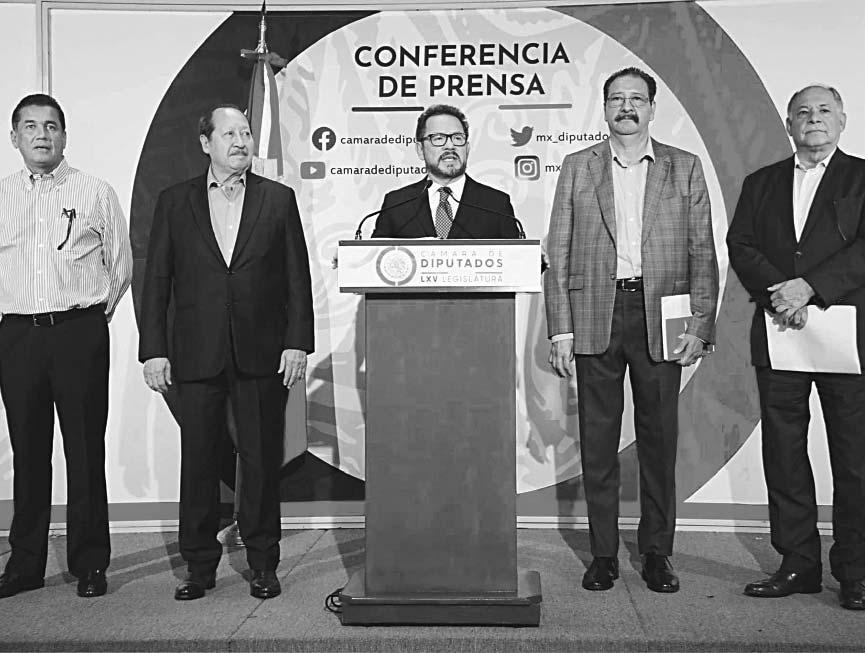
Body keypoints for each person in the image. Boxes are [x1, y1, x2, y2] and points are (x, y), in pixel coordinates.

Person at [544, 67, 718, 593]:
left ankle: (657, 552)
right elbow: (559, 252)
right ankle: (603, 554)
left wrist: (700, 324)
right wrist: (560, 331)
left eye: (636, 99)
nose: (626, 107)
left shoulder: (684, 167)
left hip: (662, 315)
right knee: (597, 442)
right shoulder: (578, 166)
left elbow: (702, 251)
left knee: (658, 442)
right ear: (604, 109)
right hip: (595, 313)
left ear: (651, 108)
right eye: (617, 98)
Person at [139, 104, 314, 601]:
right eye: (229, 133)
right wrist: (153, 350)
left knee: (260, 461)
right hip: (196, 353)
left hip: (262, 352)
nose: (240, 141)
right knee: (198, 462)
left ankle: (262, 563)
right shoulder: (175, 201)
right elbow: (157, 281)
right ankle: (199, 566)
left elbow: (297, 278)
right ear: (206, 142)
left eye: (246, 132)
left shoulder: (277, 199)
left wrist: (297, 341)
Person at [727, 84, 865, 610]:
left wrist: (810, 288)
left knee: (854, 458)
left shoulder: (862, 177)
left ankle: (856, 571)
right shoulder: (761, 182)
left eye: (824, 110)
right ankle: (798, 564)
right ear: (788, 124)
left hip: (848, 339)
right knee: (784, 453)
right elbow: (741, 244)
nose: (813, 118)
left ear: (842, 120)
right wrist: (781, 294)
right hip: (779, 332)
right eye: (802, 112)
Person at [0, 93, 133, 599]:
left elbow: (121, 265)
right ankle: (25, 565)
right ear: (14, 137)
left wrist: (91, 315)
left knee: (84, 448)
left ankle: (90, 563)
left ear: (64, 136)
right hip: (17, 336)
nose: (42, 135)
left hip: (78, 331)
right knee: (29, 452)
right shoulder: (2, 194)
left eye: (51, 126)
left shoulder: (93, 191)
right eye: (31, 126)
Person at [371, 104, 520, 239]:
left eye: (457, 138)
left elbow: (515, 257)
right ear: (420, 150)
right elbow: (376, 256)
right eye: (438, 138)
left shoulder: (496, 204)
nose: (450, 146)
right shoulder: (397, 203)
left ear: (467, 148)